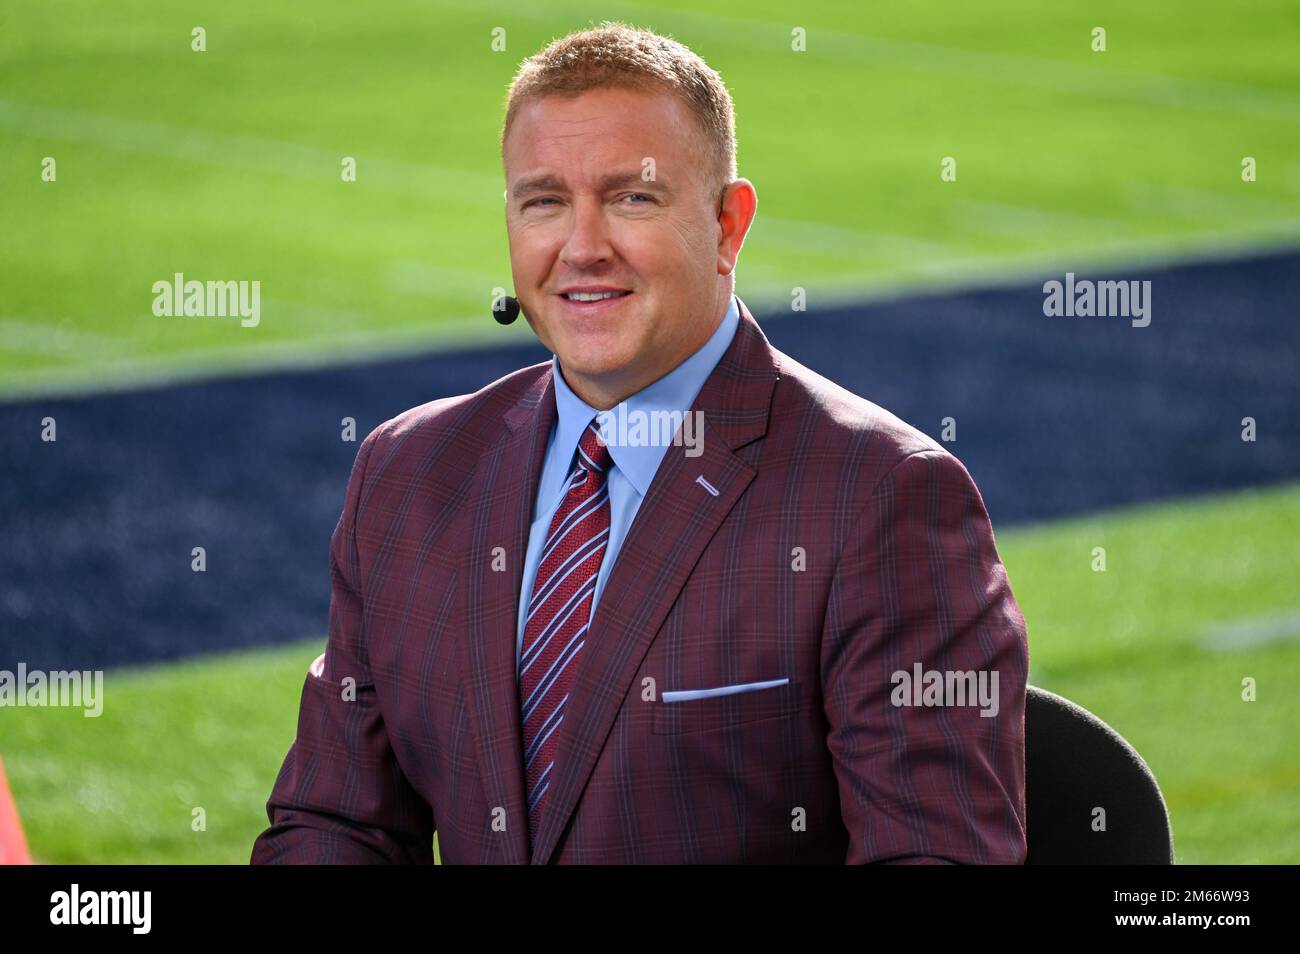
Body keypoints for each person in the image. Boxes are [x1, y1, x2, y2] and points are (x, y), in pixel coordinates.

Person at [251, 22, 1028, 865]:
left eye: (632, 198)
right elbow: (336, 826)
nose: (582, 249)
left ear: (729, 226)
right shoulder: (408, 471)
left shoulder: (881, 497)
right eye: (544, 201)